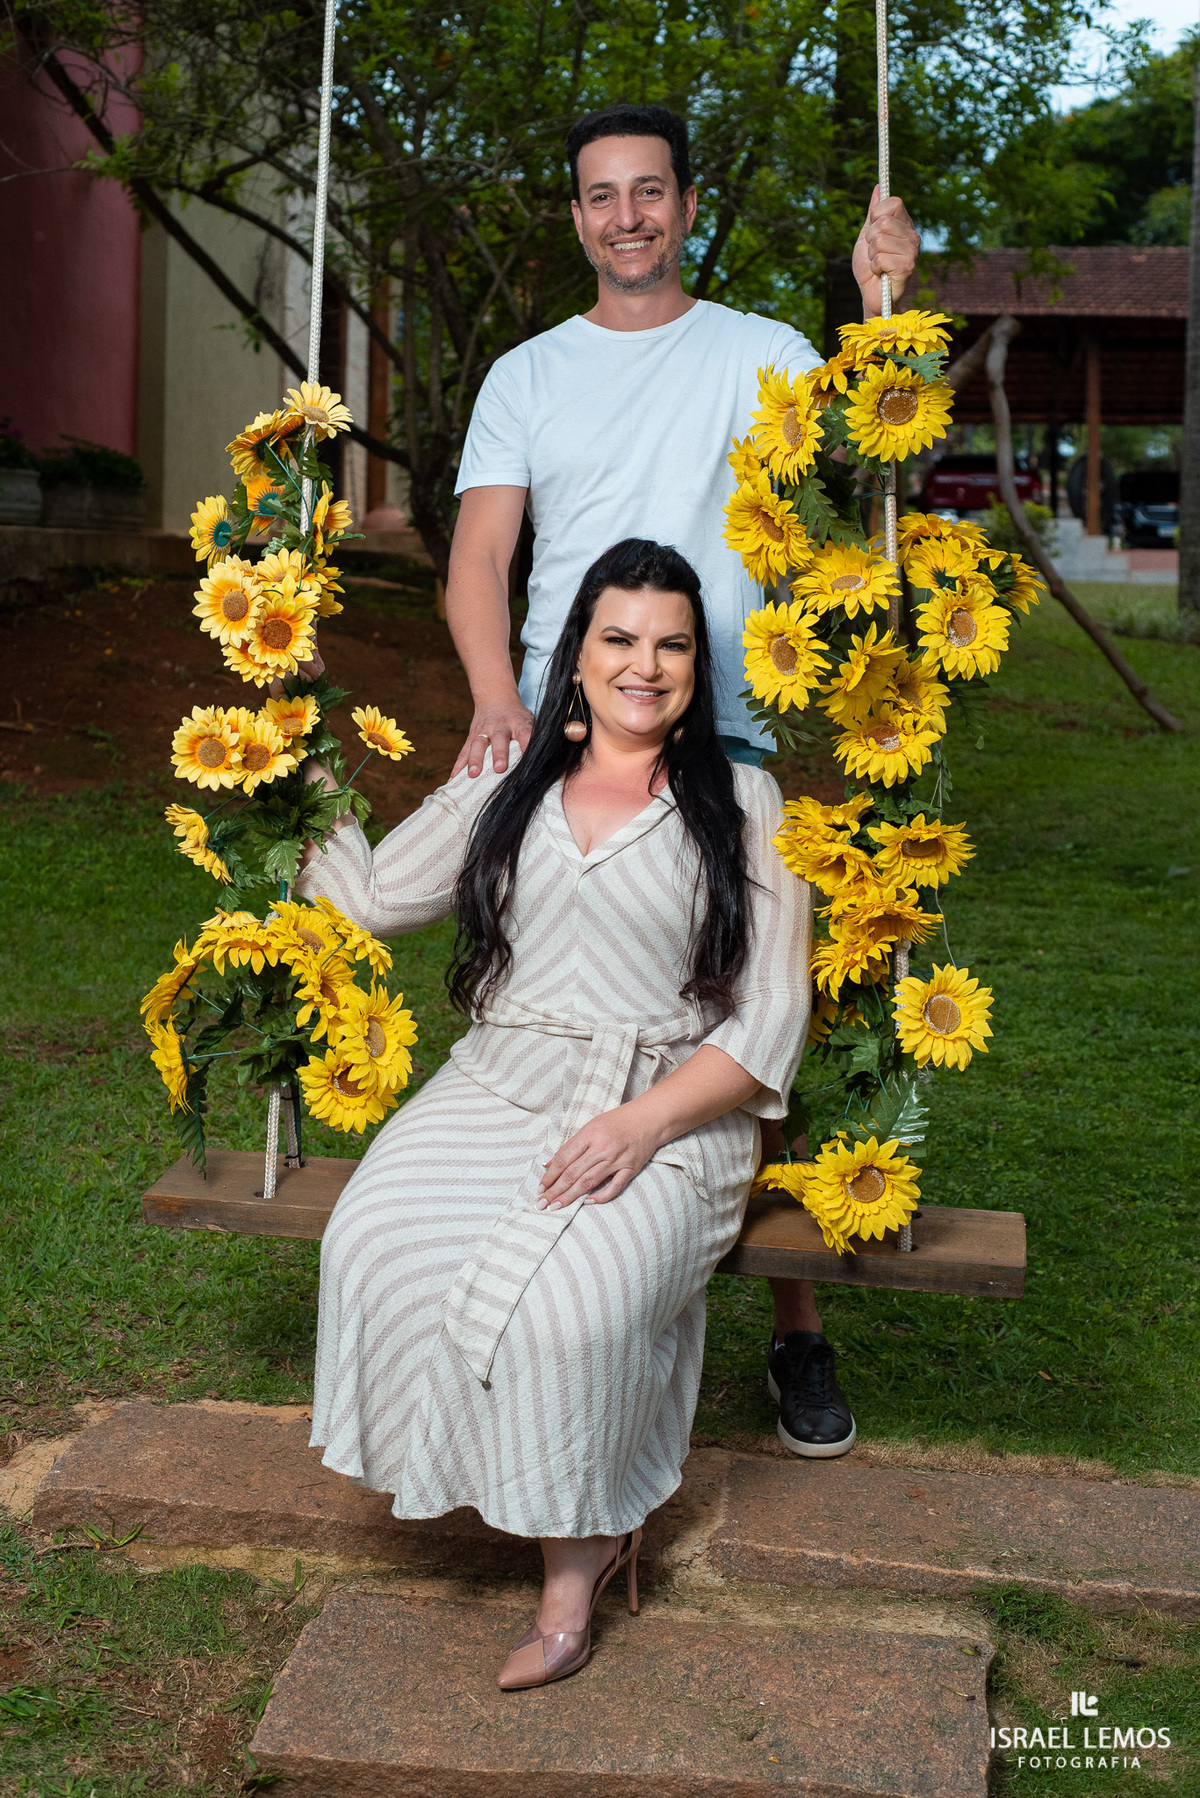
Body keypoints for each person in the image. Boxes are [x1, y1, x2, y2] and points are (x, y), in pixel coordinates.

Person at [444, 102, 919, 1456]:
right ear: (576, 216)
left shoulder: (761, 353)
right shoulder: (527, 374)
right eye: (602, 195)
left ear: (688, 206)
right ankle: (539, 1259)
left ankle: (796, 1327)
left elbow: (867, 453)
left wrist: (880, 301)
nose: (628, 217)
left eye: (650, 191)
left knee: (746, 1015)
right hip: (562, 739)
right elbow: (481, 559)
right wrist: (495, 695)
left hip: (726, 734)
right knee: (540, 1006)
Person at [296, 539, 812, 1689]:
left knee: (573, 1307)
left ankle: (578, 1562)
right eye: (620, 638)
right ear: (577, 653)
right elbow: (372, 897)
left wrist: (644, 1124)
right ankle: (482, 1468)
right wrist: (298, 738)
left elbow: (773, 1014)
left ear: (698, 665)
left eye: (672, 644)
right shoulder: (509, 778)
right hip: (499, 1081)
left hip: (670, 1105)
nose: (645, 665)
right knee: (374, 1238)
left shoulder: (744, 802)